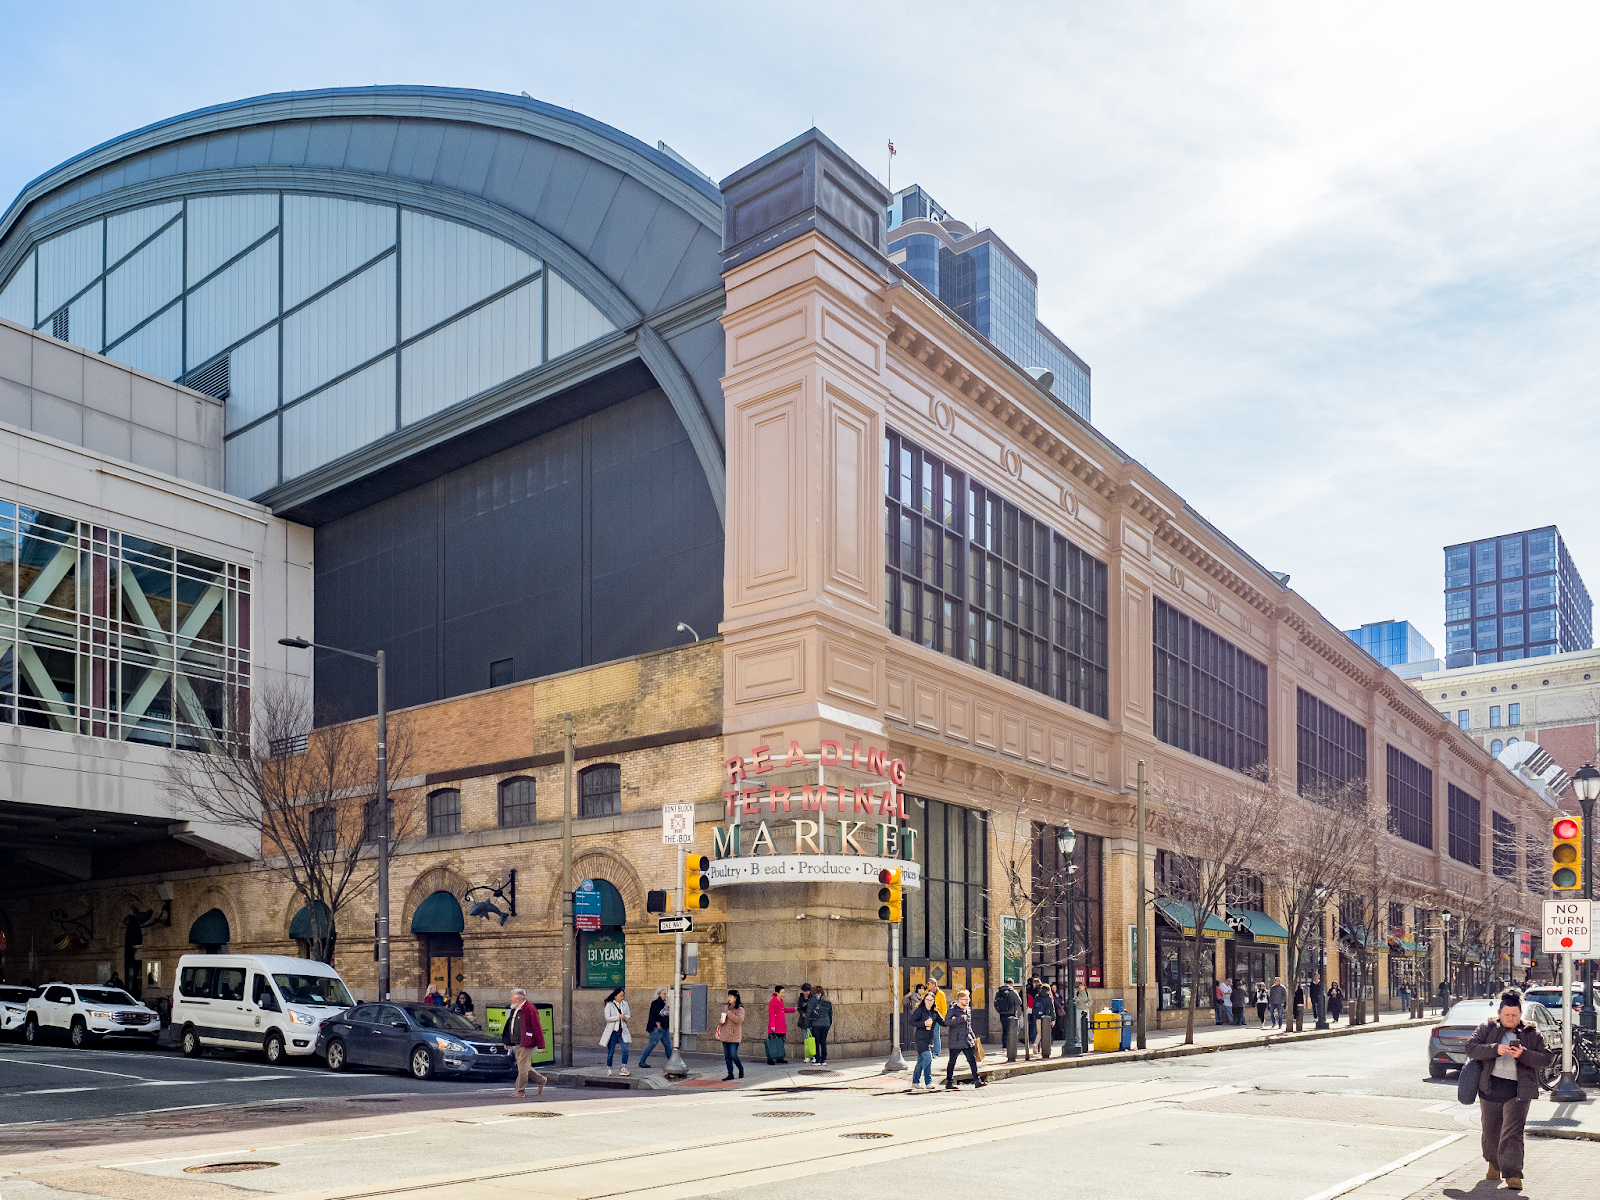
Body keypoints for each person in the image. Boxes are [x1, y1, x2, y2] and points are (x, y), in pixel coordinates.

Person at [1464, 991, 1552, 1191]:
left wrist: (1523, 1054)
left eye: (1514, 1015)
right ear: (1499, 1013)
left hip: (1518, 1092)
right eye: (1506, 1015)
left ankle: (1513, 1174)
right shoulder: (1487, 1028)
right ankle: (1494, 1164)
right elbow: (1471, 1048)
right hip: (1490, 1088)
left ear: (1521, 1014)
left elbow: (1546, 1059)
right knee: (1490, 1131)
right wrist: (1494, 1049)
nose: (1510, 1018)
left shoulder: (1531, 1033)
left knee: (1512, 1133)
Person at [503, 987, 546, 1097]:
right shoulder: (515, 1009)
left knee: (522, 1068)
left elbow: (537, 1027)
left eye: (512, 997)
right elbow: (510, 1025)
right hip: (517, 1042)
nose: (510, 999)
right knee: (523, 1066)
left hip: (526, 1042)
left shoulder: (529, 1008)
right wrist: (507, 1041)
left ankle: (520, 1090)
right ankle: (540, 1080)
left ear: (517, 999)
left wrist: (541, 1045)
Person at [943, 989, 985, 1089]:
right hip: (956, 1040)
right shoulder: (953, 1010)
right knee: (952, 1061)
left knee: (972, 1061)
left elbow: (968, 1025)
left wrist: (973, 1037)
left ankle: (977, 1081)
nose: (967, 1001)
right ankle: (949, 1082)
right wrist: (960, 1019)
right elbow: (947, 1021)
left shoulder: (968, 1010)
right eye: (965, 999)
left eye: (968, 999)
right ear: (959, 1000)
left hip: (967, 1039)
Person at [911, 988, 943, 1090]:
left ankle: (915, 1082)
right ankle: (928, 1082)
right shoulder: (919, 1011)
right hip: (920, 1039)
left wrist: (954, 1019)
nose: (929, 1002)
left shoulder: (935, 1012)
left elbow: (943, 1022)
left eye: (931, 1000)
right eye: (927, 1000)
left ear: (934, 1001)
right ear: (924, 1000)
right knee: (928, 1057)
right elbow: (912, 1022)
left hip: (929, 1039)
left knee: (921, 1061)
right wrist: (923, 1023)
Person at [637, 987, 672, 1069]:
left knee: (668, 1045)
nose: (665, 995)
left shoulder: (666, 1003)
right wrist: (658, 1025)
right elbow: (654, 1015)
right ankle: (642, 1061)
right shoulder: (656, 1003)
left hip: (665, 1027)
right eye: (664, 993)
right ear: (659, 994)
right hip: (657, 1028)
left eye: (666, 993)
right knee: (651, 1045)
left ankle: (671, 1062)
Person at [600, 986, 631, 1076]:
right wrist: (618, 1017)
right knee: (611, 1052)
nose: (622, 997)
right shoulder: (609, 1005)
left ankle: (624, 1067)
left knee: (625, 1049)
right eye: (620, 996)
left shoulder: (625, 1004)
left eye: (623, 996)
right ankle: (609, 1068)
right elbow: (607, 1018)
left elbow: (628, 1015)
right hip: (613, 1031)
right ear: (615, 996)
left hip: (622, 1030)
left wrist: (625, 1017)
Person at [716, 989, 746, 1080]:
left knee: (733, 1054)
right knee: (727, 1056)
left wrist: (729, 1013)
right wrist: (721, 1020)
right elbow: (722, 1020)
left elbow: (739, 1020)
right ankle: (730, 1074)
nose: (729, 998)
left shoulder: (740, 1009)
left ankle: (740, 1068)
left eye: (731, 996)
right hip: (725, 1034)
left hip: (734, 1035)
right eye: (728, 996)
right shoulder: (725, 1007)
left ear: (735, 998)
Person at [766, 985, 796, 1064]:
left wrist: (793, 1009)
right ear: (777, 993)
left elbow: (783, 1010)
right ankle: (770, 1059)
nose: (783, 994)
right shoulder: (772, 1002)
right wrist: (772, 1025)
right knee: (773, 1043)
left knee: (781, 1042)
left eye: (784, 992)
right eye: (782, 993)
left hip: (781, 1026)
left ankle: (779, 1058)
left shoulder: (781, 1001)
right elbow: (771, 1014)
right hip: (775, 1026)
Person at [993, 978, 1021, 1060]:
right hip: (1011, 1014)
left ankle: (1004, 1047)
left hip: (1002, 1014)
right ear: (1011, 984)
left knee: (1004, 1030)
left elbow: (995, 1003)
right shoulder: (1012, 992)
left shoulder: (999, 992)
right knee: (1013, 1030)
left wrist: (999, 1011)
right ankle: (1011, 1046)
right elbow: (1019, 1002)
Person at [807, 986, 833, 1065]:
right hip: (826, 1023)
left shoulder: (814, 999)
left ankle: (817, 1060)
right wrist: (829, 1024)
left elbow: (809, 1012)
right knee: (823, 1041)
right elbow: (830, 1014)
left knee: (816, 1042)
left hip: (816, 1024)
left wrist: (807, 1024)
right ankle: (823, 1060)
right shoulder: (827, 1000)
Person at [1032, 976, 1056, 1058]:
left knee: (1039, 1032)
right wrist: (1053, 1019)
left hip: (1038, 1017)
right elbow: (1052, 1008)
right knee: (1046, 1033)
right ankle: (1046, 1048)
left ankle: (1036, 1044)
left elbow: (1034, 1007)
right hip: (1046, 1018)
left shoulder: (1037, 996)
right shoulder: (1048, 997)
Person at [797, 983, 814, 1062]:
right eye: (804, 991)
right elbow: (799, 1007)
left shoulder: (812, 997)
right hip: (803, 1021)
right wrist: (803, 1014)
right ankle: (807, 1055)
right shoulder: (801, 997)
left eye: (807, 991)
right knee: (805, 1039)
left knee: (812, 1039)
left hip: (811, 1020)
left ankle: (814, 1055)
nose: (805, 993)